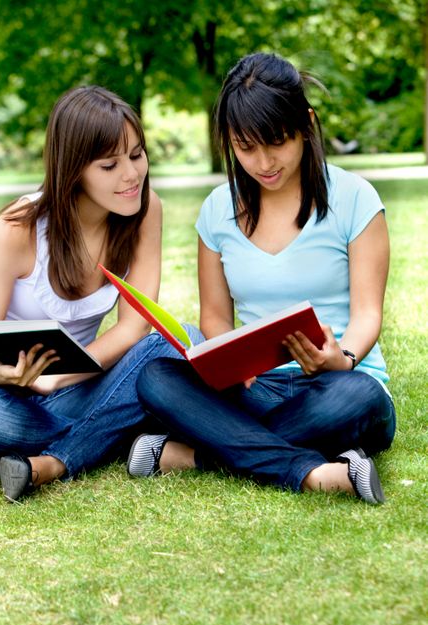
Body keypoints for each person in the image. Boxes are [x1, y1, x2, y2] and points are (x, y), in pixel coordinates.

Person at [128, 52, 396, 504]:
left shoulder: (355, 199)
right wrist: (232, 363)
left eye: (276, 142)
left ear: (306, 125)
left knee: (360, 398)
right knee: (155, 377)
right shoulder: (217, 210)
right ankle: (315, 469)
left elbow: (368, 312)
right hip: (257, 388)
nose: (263, 162)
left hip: (336, 383)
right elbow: (215, 317)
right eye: (245, 147)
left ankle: (193, 455)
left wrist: (342, 357)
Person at [0, 85, 201, 502]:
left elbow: (135, 328)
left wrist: (57, 378)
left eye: (136, 155)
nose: (131, 175)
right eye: (109, 165)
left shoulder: (144, 208)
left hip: (84, 386)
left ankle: (56, 460)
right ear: (74, 167)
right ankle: (122, 433)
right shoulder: (16, 229)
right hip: (10, 399)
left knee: (183, 343)